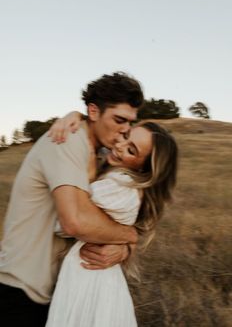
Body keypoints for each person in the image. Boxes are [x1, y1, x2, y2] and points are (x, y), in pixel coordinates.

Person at [0, 72, 144, 327]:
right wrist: (131, 236)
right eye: (119, 119)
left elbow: (102, 217)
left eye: (130, 122)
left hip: (56, 293)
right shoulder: (67, 140)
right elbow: (75, 223)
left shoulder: (100, 156)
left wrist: (124, 248)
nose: (125, 130)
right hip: (20, 291)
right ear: (94, 111)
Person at [45, 118, 178, 327]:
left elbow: (63, 224)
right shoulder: (111, 170)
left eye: (132, 151)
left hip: (88, 275)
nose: (120, 146)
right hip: (86, 270)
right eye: (126, 136)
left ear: (144, 169)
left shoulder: (120, 186)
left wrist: (127, 243)